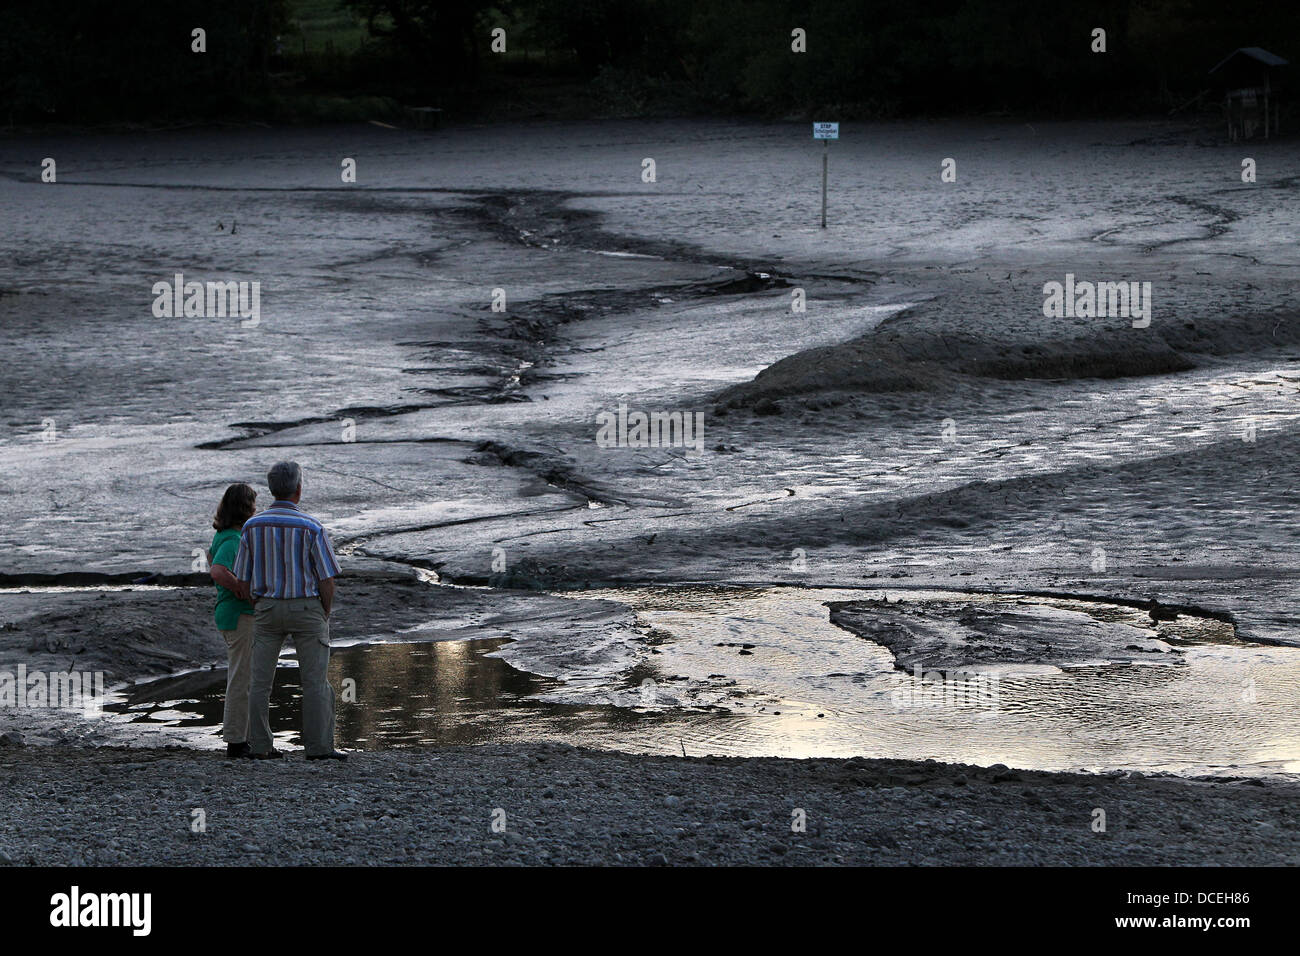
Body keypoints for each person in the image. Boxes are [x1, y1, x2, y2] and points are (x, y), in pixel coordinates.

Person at [232, 461, 346, 760]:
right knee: (315, 681)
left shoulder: (252, 526)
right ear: (298, 489)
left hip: (268, 608)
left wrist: (259, 601)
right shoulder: (311, 527)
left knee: (259, 682)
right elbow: (326, 579)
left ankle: (260, 746)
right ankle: (319, 748)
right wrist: (325, 611)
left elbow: (242, 579)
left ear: (272, 489)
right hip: (306, 607)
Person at [208, 483, 258, 760]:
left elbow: (210, 559)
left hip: (231, 614)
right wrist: (238, 586)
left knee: (244, 676)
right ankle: (236, 742)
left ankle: (243, 738)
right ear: (245, 508)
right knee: (242, 678)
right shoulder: (232, 539)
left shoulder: (225, 535)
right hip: (239, 616)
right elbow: (217, 570)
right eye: (252, 505)